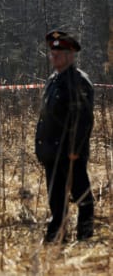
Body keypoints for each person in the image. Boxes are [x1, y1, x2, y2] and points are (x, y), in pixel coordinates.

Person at [35, 30, 95, 243]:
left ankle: (85, 238)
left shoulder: (78, 81)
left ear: (71, 55)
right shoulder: (54, 80)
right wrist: (41, 148)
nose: (55, 56)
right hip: (52, 152)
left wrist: (74, 150)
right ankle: (56, 238)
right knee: (56, 199)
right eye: (53, 52)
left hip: (70, 154)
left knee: (82, 197)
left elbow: (84, 120)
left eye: (59, 53)